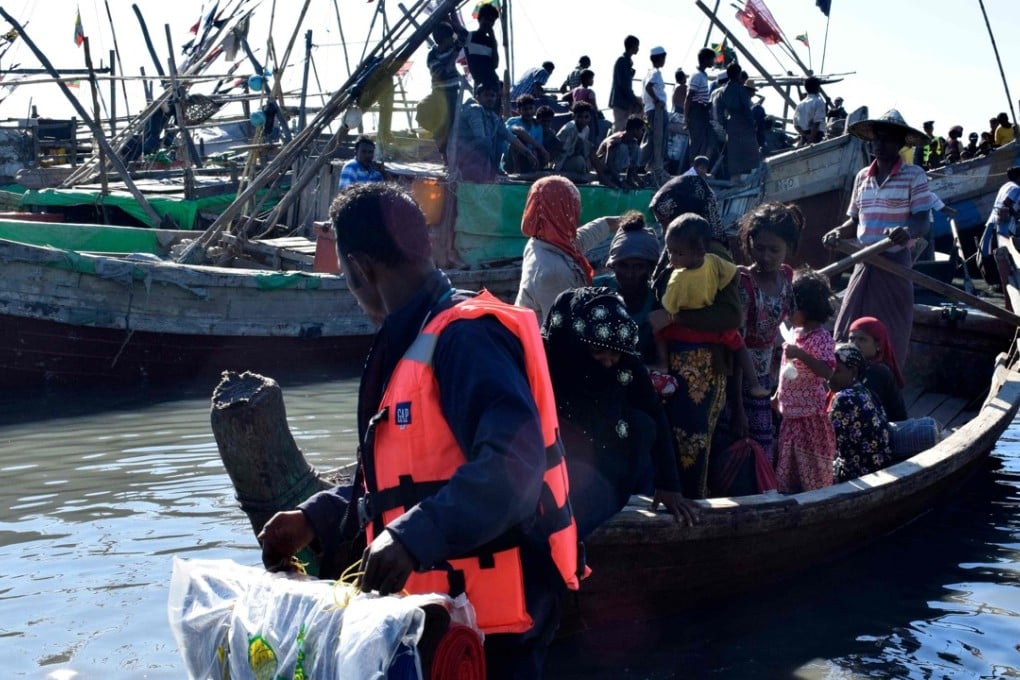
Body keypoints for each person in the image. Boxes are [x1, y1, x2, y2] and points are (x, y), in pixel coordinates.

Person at [257, 183, 583, 677]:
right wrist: (318, 517)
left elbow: (513, 470)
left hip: (491, 637)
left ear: (361, 268)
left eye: (347, 276)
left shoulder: (465, 339)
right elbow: (413, 482)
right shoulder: (415, 338)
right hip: (437, 622)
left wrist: (413, 537)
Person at [542, 287, 694, 538]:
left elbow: (655, 414)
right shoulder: (552, 359)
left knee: (642, 424)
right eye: (598, 353)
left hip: (607, 457)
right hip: (553, 459)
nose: (609, 361)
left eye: (615, 354)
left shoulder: (627, 365)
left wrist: (669, 485)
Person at [824, 109, 936, 372]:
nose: (880, 144)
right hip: (863, 261)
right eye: (877, 138)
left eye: (887, 139)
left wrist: (905, 230)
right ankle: (844, 379)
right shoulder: (862, 177)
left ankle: (886, 385)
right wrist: (838, 232)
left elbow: (922, 221)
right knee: (847, 325)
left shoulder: (914, 175)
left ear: (900, 144)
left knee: (890, 331)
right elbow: (854, 221)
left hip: (894, 264)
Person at [656, 214, 771, 399]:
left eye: (678, 253)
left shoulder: (677, 278)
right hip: (712, 323)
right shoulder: (713, 260)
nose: (671, 258)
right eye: (670, 252)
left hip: (687, 323)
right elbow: (734, 274)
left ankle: (661, 366)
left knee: (658, 332)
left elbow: (669, 306)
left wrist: (669, 315)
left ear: (697, 251)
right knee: (738, 345)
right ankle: (755, 384)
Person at [720, 202, 799, 464]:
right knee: (751, 444)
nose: (765, 256)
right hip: (743, 377)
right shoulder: (745, 283)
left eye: (774, 250)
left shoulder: (787, 277)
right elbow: (736, 343)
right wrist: (739, 406)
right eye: (759, 248)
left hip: (772, 373)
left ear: (788, 248)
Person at [514, 175, 618, 323]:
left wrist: (616, 222)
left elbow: (580, 240)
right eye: (573, 206)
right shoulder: (554, 272)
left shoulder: (540, 240)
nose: (578, 212)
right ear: (563, 212)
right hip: (542, 343)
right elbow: (561, 333)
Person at [774, 268, 836, 493]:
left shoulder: (820, 338)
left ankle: (816, 499)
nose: (788, 312)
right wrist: (776, 397)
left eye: (793, 307)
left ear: (808, 309)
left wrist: (801, 355)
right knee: (789, 465)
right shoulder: (796, 333)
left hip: (809, 417)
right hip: (790, 415)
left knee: (812, 469)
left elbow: (826, 371)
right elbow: (785, 372)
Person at [593, 211, 662, 364]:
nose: (630, 274)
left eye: (639, 267)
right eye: (623, 265)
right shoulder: (595, 292)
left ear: (651, 268)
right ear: (613, 265)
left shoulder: (659, 300)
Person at [828, 343, 893, 483]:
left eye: (836, 370)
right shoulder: (865, 391)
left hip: (857, 472)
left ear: (853, 371)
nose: (829, 376)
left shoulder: (844, 398)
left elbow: (826, 442)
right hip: (880, 464)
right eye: (828, 369)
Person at [455, 82, 536, 182]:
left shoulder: (493, 117)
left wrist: (528, 153)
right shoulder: (474, 109)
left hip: (478, 157)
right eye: (486, 95)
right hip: (464, 157)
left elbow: (509, 136)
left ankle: (491, 173)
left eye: (492, 96)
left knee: (501, 138)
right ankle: (484, 175)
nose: (490, 99)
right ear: (477, 97)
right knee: (486, 143)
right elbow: (481, 138)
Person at [847, 316, 907, 422]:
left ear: (878, 345)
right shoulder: (848, 366)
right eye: (851, 338)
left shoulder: (878, 371)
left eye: (862, 339)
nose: (854, 344)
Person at [426, 21, 468, 162]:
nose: (453, 39)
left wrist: (453, 19)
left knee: (455, 125)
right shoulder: (432, 56)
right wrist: (454, 56)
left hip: (453, 93)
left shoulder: (452, 47)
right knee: (442, 127)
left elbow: (464, 36)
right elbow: (443, 73)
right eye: (451, 37)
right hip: (439, 95)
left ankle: (454, 158)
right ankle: (445, 156)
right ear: (445, 39)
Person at [717, 63, 761, 176]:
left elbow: (719, 110)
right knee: (750, 152)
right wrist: (752, 123)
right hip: (743, 123)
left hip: (731, 123)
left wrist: (724, 124)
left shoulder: (723, 90)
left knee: (734, 153)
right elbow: (746, 109)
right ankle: (749, 179)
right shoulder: (741, 89)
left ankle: (735, 178)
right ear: (738, 75)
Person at [979, 164, 1020, 281]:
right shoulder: (1016, 188)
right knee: (1002, 254)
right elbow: (1006, 205)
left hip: (993, 223)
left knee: (992, 253)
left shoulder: (1006, 185)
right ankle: (1003, 278)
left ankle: (995, 278)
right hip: (1002, 226)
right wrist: (1016, 214)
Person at [640, 46, 669, 186]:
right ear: (660, 58)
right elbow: (649, 87)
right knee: (657, 139)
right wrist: (657, 100)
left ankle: (650, 166)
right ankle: (654, 167)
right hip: (656, 110)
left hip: (651, 110)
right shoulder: (655, 73)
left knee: (653, 139)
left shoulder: (649, 72)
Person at [684, 47, 718, 168]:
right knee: (696, 142)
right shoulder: (697, 75)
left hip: (702, 111)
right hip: (697, 111)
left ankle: (698, 169)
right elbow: (689, 97)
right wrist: (686, 118)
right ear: (706, 60)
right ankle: (691, 170)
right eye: (712, 59)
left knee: (705, 141)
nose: (713, 61)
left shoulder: (703, 75)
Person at [595, 115, 644, 189]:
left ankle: (629, 179)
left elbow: (633, 163)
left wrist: (638, 180)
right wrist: (620, 180)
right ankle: (616, 179)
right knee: (623, 148)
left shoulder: (632, 142)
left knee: (636, 148)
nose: (642, 133)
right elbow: (608, 163)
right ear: (635, 130)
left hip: (614, 169)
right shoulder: (615, 141)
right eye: (641, 130)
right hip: (602, 166)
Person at [504, 94, 550, 173]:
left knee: (538, 150)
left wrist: (539, 152)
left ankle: (534, 170)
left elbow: (537, 146)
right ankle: (516, 172)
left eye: (530, 108)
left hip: (531, 158)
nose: (528, 112)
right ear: (519, 110)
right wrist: (541, 150)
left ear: (534, 109)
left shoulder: (537, 126)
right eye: (525, 109)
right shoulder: (512, 121)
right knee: (517, 141)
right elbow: (519, 131)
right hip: (511, 161)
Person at [465, 3, 500, 94]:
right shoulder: (470, 36)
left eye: (492, 21)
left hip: (493, 85)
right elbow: (455, 25)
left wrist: (493, 38)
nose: (489, 23)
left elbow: (495, 64)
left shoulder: (491, 42)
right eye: (487, 19)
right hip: (479, 86)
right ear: (480, 19)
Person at [555, 100, 597, 175]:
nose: (583, 120)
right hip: (563, 162)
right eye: (580, 117)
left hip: (574, 157)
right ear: (574, 116)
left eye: (586, 117)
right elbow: (562, 153)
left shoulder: (586, 129)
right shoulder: (570, 129)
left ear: (590, 118)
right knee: (579, 161)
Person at [609, 35, 641, 133]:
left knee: (623, 129)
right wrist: (634, 99)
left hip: (624, 102)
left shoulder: (626, 62)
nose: (638, 48)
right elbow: (624, 86)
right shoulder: (622, 62)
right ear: (632, 46)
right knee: (619, 131)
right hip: (621, 102)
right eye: (637, 46)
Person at [793, 76, 826, 145]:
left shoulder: (800, 104)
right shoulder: (818, 102)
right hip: (816, 138)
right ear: (817, 88)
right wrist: (811, 139)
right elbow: (816, 123)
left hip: (804, 138)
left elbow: (796, 125)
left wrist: (805, 136)